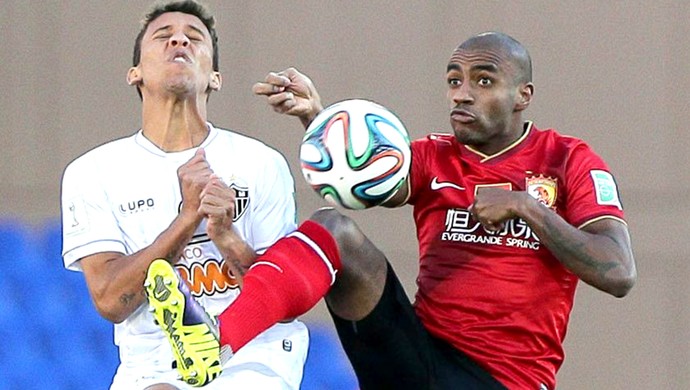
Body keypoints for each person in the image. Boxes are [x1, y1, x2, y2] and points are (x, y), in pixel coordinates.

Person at [138, 32, 637, 389]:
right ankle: (216, 342)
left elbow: (618, 272)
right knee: (334, 230)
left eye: (484, 81)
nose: (462, 92)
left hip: (504, 378)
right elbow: (364, 177)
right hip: (415, 359)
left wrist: (528, 208)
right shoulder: (435, 156)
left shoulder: (567, 160)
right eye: (454, 80)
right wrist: (318, 118)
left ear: (522, 96)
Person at [60, 1, 314, 389]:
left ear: (215, 77)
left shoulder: (260, 163)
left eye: (194, 38)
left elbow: (283, 303)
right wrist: (187, 219)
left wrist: (227, 237)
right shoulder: (93, 172)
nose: (179, 40)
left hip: (250, 359)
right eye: (163, 36)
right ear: (135, 73)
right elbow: (111, 301)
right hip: (151, 368)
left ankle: (214, 336)